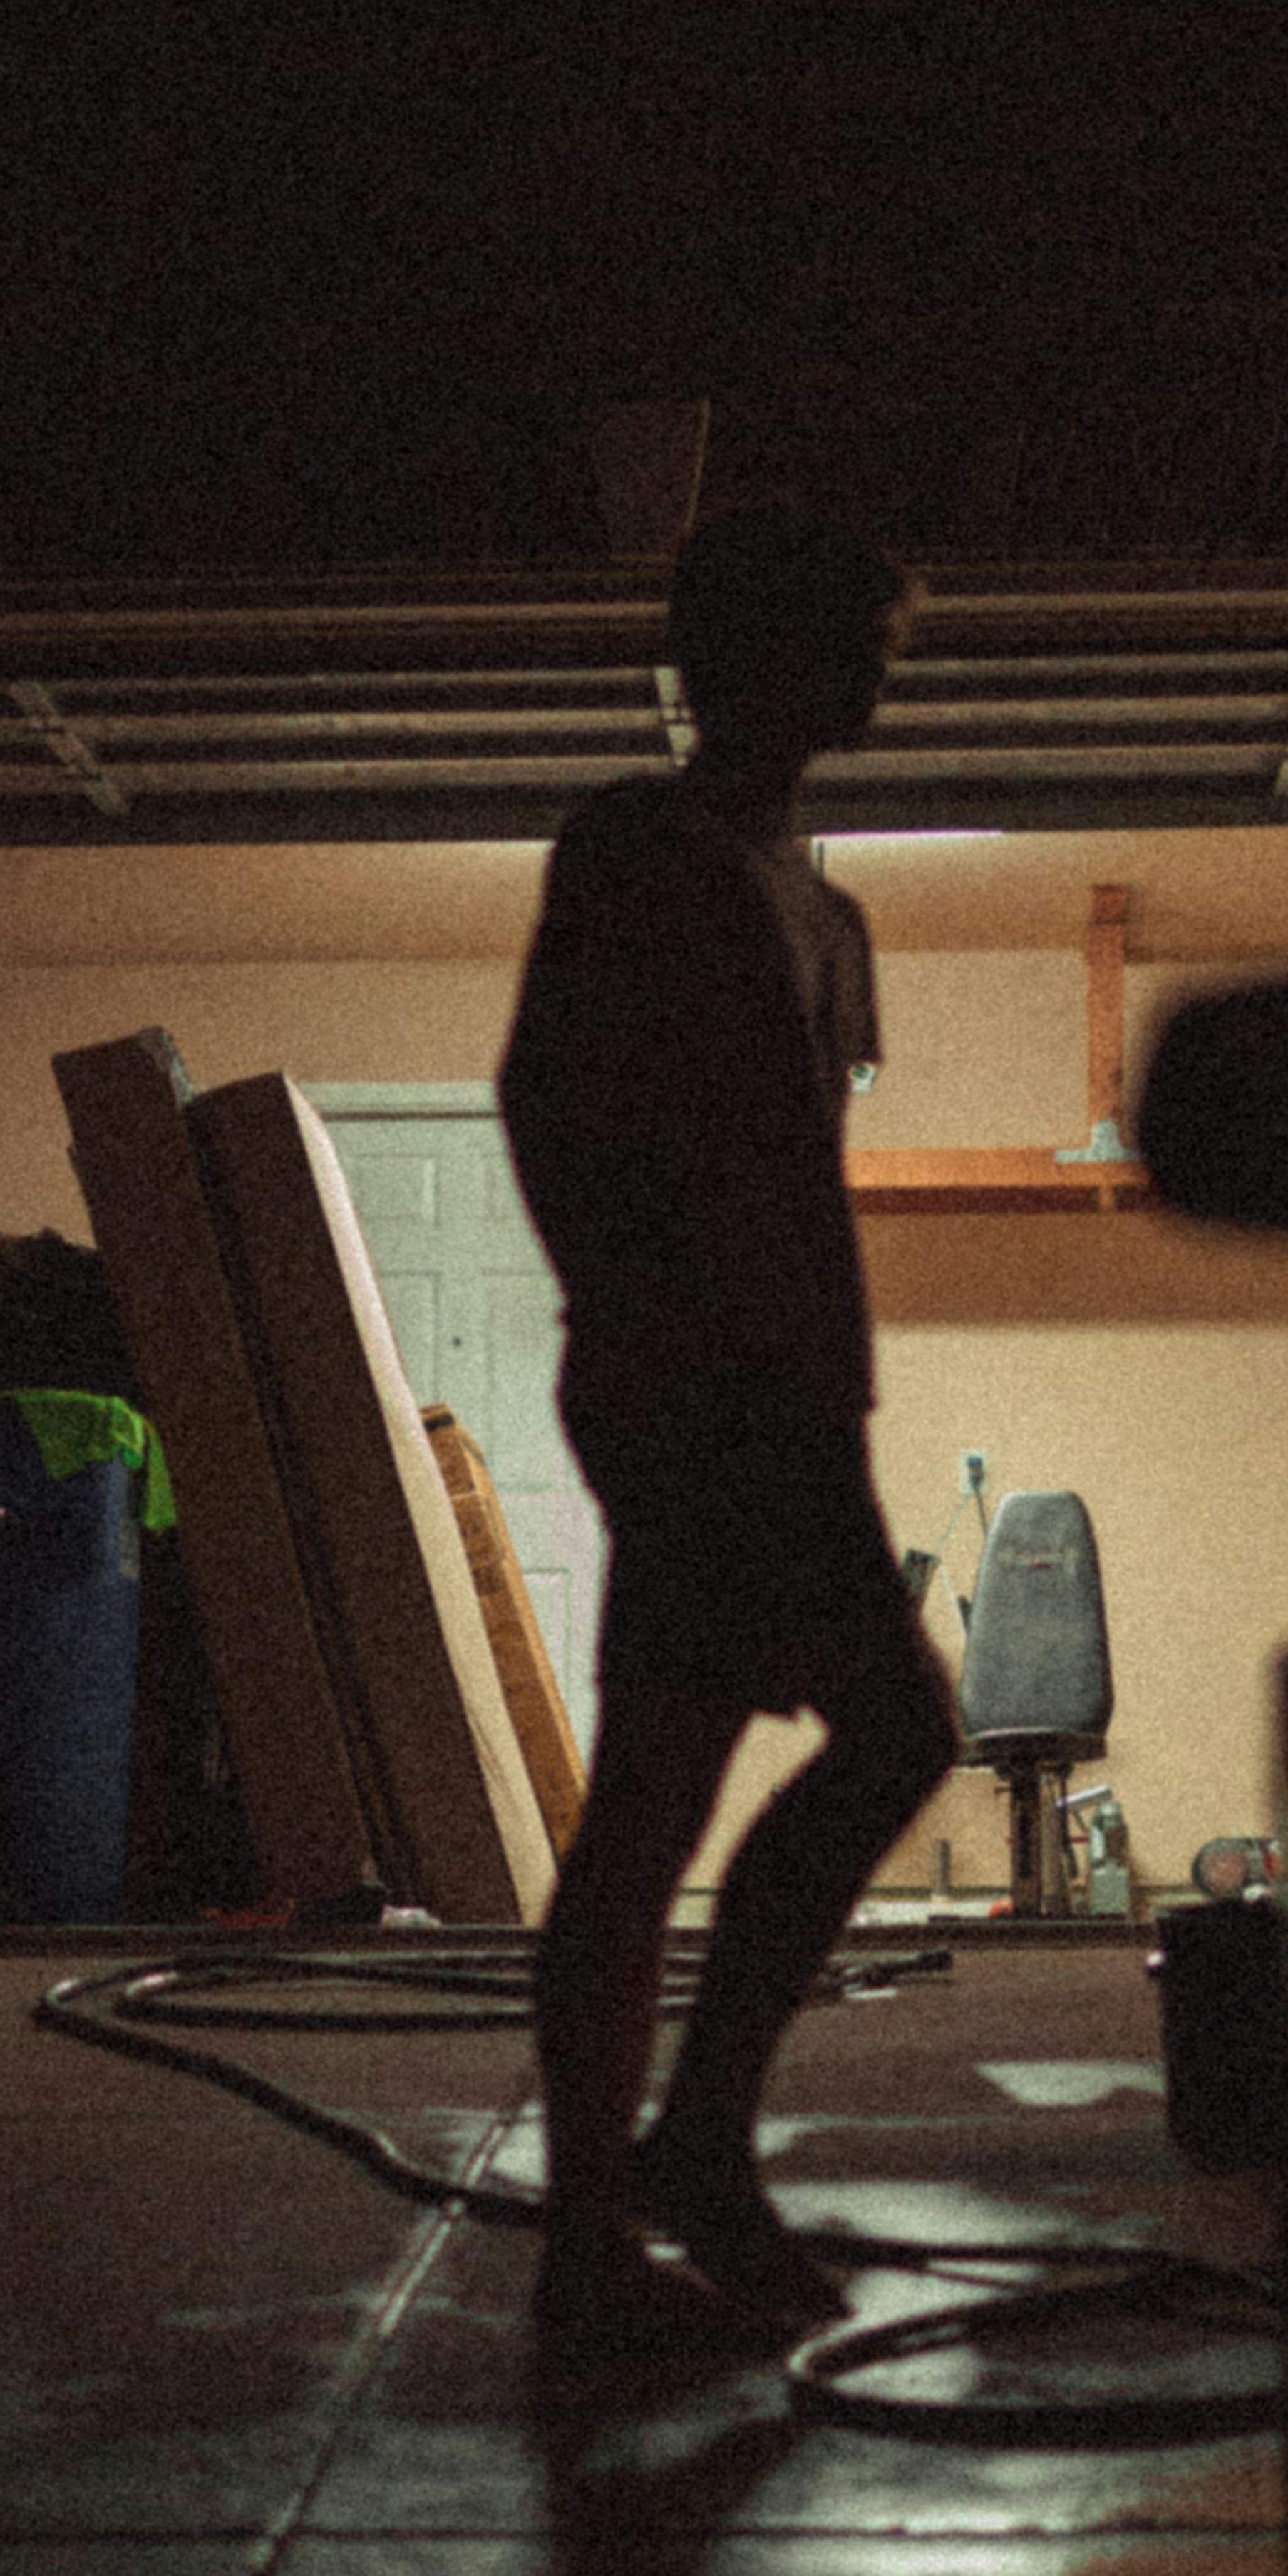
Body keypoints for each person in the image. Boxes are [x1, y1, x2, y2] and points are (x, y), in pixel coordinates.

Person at [498, 501, 959, 2366]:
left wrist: (822, 1388)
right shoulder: (638, 848)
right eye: (854, 646)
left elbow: (801, 1175)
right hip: (700, 1391)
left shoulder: (831, 916)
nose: (875, 683)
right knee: (780, 1766)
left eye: (885, 654)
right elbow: (547, 1106)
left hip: (790, 1395)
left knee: (690, 1786)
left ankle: (657, 2183)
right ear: (740, 655)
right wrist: (644, 1337)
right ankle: (637, 2200)